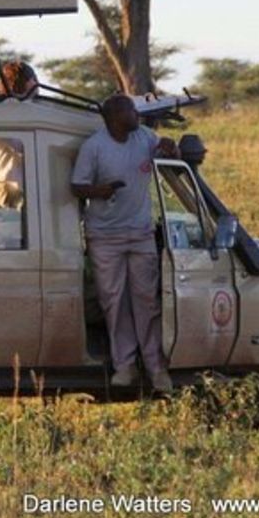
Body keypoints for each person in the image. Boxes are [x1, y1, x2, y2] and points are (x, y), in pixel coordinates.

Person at [70, 93, 179, 392]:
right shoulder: (94, 147)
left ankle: (157, 368)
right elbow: (77, 186)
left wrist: (170, 146)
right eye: (131, 110)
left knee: (147, 301)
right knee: (114, 302)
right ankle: (125, 366)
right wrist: (100, 191)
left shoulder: (143, 136)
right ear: (114, 117)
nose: (136, 114)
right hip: (104, 236)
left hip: (140, 231)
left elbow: (163, 149)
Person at [0, 61, 38, 210]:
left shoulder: (21, 108)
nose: (36, 84)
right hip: (7, 184)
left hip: (13, 184)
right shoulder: (8, 109)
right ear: (26, 82)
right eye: (33, 80)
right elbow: (20, 145)